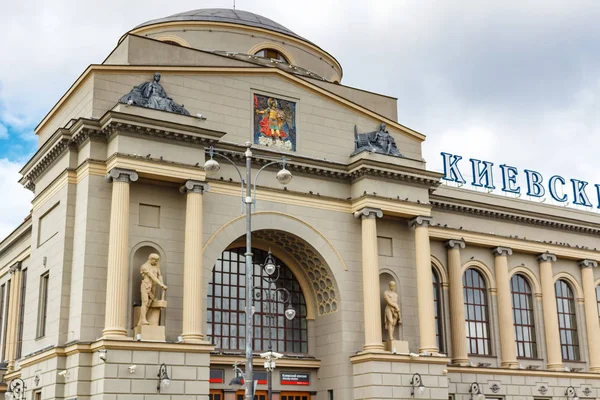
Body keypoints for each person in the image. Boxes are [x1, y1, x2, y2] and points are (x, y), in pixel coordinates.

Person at [138, 253, 167, 326]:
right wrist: (161, 285)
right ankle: (143, 319)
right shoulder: (144, 267)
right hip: (146, 285)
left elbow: (159, 275)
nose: (156, 262)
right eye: (155, 260)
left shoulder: (156, 266)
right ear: (150, 259)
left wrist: (162, 284)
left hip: (153, 287)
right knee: (145, 302)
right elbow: (152, 276)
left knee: (149, 303)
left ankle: (142, 319)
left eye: (157, 261)